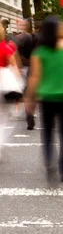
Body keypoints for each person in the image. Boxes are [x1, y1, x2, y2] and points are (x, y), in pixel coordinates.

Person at [25, 16, 63, 182]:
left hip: (48, 97)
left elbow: (34, 77)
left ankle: (49, 161)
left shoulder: (39, 52)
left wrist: (30, 98)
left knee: (47, 132)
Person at [0, 24, 22, 161]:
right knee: (3, 120)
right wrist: (19, 85)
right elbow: (15, 68)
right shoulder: (5, 48)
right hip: (4, 86)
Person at [13, 18, 35, 130]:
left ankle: (27, 114)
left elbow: (15, 53)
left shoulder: (21, 38)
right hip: (30, 66)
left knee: (24, 92)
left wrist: (18, 67)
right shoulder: (32, 37)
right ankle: (29, 114)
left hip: (23, 67)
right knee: (28, 93)